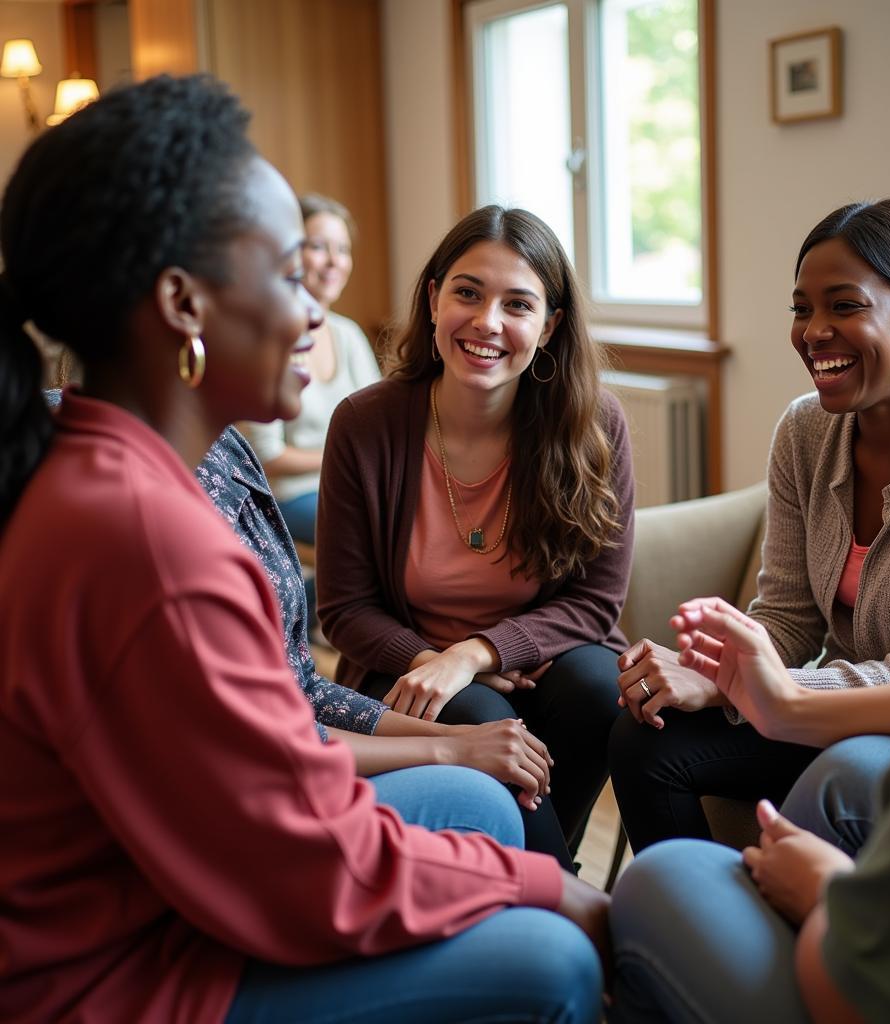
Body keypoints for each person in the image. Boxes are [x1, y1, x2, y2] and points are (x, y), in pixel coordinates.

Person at [0, 75, 607, 1023]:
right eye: (290, 273)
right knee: (552, 960)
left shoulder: (128, 470)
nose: (318, 312)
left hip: (184, 881)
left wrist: (456, 768)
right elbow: (293, 866)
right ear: (183, 305)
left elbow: (276, 764)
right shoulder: (149, 545)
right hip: (123, 966)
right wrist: (548, 890)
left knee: (490, 818)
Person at [607, 167, 890, 1023]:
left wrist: (778, 694)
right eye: (802, 307)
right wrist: (716, 673)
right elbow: (790, 614)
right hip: (818, 705)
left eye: (844, 305)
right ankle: (720, 952)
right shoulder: (805, 428)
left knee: (839, 774)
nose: (814, 330)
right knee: (647, 735)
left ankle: (760, 965)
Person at [47, 381, 558, 813]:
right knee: (479, 798)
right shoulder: (96, 476)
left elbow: (300, 687)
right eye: (284, 278)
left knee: (507, 746)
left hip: (274, 763)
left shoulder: (222, 444)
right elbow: (244, 739)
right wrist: (448, 751)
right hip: (214, 808)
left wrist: (458, 737)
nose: (311, 312)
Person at [317, 205, 635, 869]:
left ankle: (538, 868)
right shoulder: (365, 424)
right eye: (467, 293)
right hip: (407, 671)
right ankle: (559, 891)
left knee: (601, 688)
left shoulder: (595, 424)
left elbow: (597, 604)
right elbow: (344, 609)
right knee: (476, 710)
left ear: (548, 327)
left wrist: (473, 653)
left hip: (543, 658)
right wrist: (434, 659)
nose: (487, 322)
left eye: (517, 304)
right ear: (433, 300)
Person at [244, 193, 380, 547]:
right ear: (289, 254)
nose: (334, 261)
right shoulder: (270, 337)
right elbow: (269, 456)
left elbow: (379, 423)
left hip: (349, 485)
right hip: (289, 497)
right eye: (319, 247)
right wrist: (341, 456)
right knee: (375, 533)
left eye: (344, 249)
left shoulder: (347, 334)